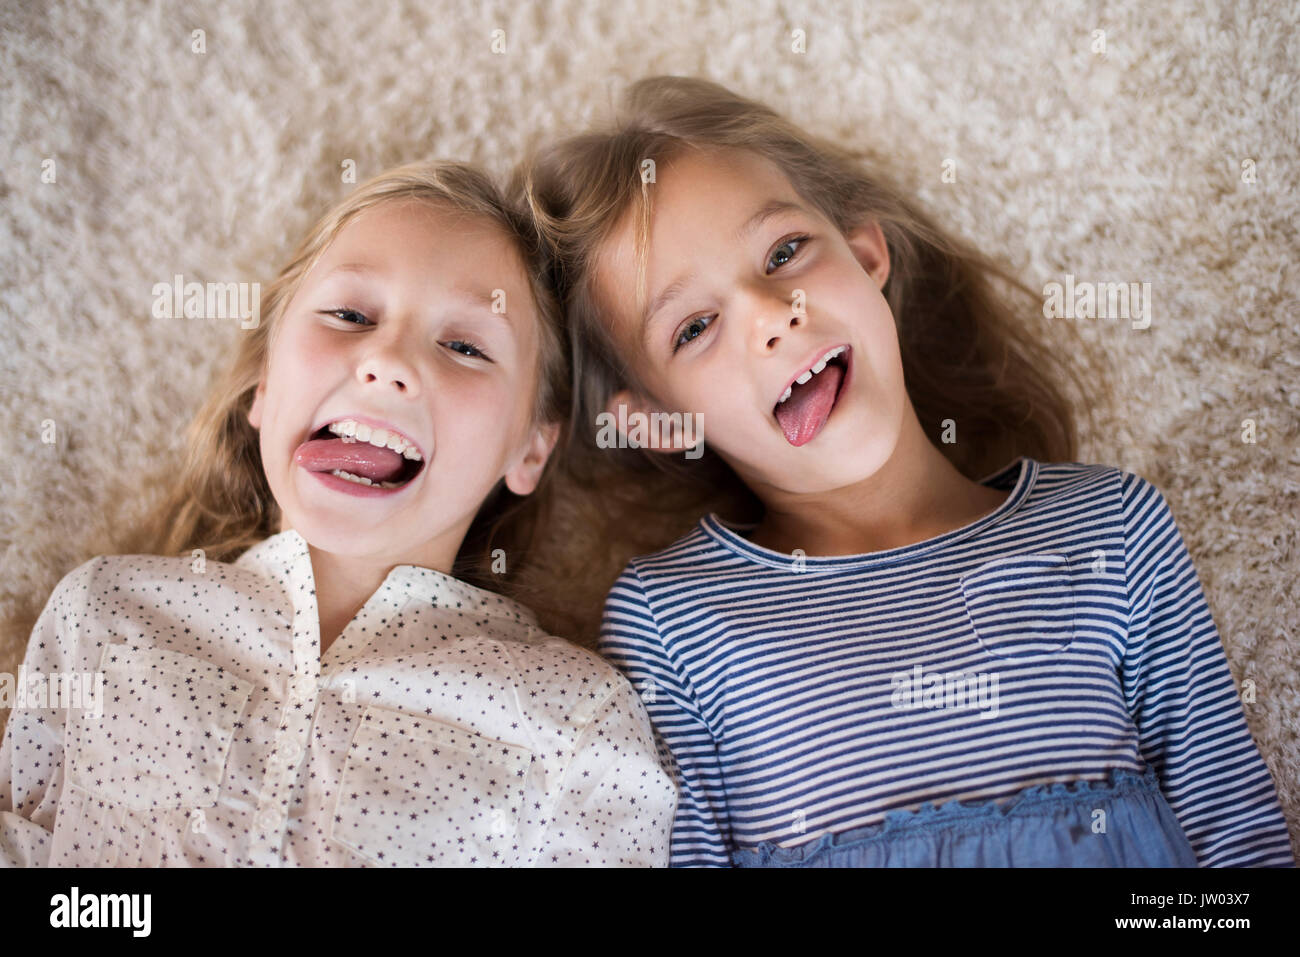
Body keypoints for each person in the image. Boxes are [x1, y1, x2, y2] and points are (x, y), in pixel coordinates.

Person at [520, 76, 1294, 867]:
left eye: (785, 252)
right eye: (695, 326)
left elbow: (1237, 841)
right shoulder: (674, 622)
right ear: (652, 420)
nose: (768, 313)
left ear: (865, 255)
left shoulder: (1109, 527)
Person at [0, 160, 676, 867]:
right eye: (350, 315)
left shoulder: (577, 722)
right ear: (265, 383)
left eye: (466, 346)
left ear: (531, 450)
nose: (387, 360)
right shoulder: (107, 613)